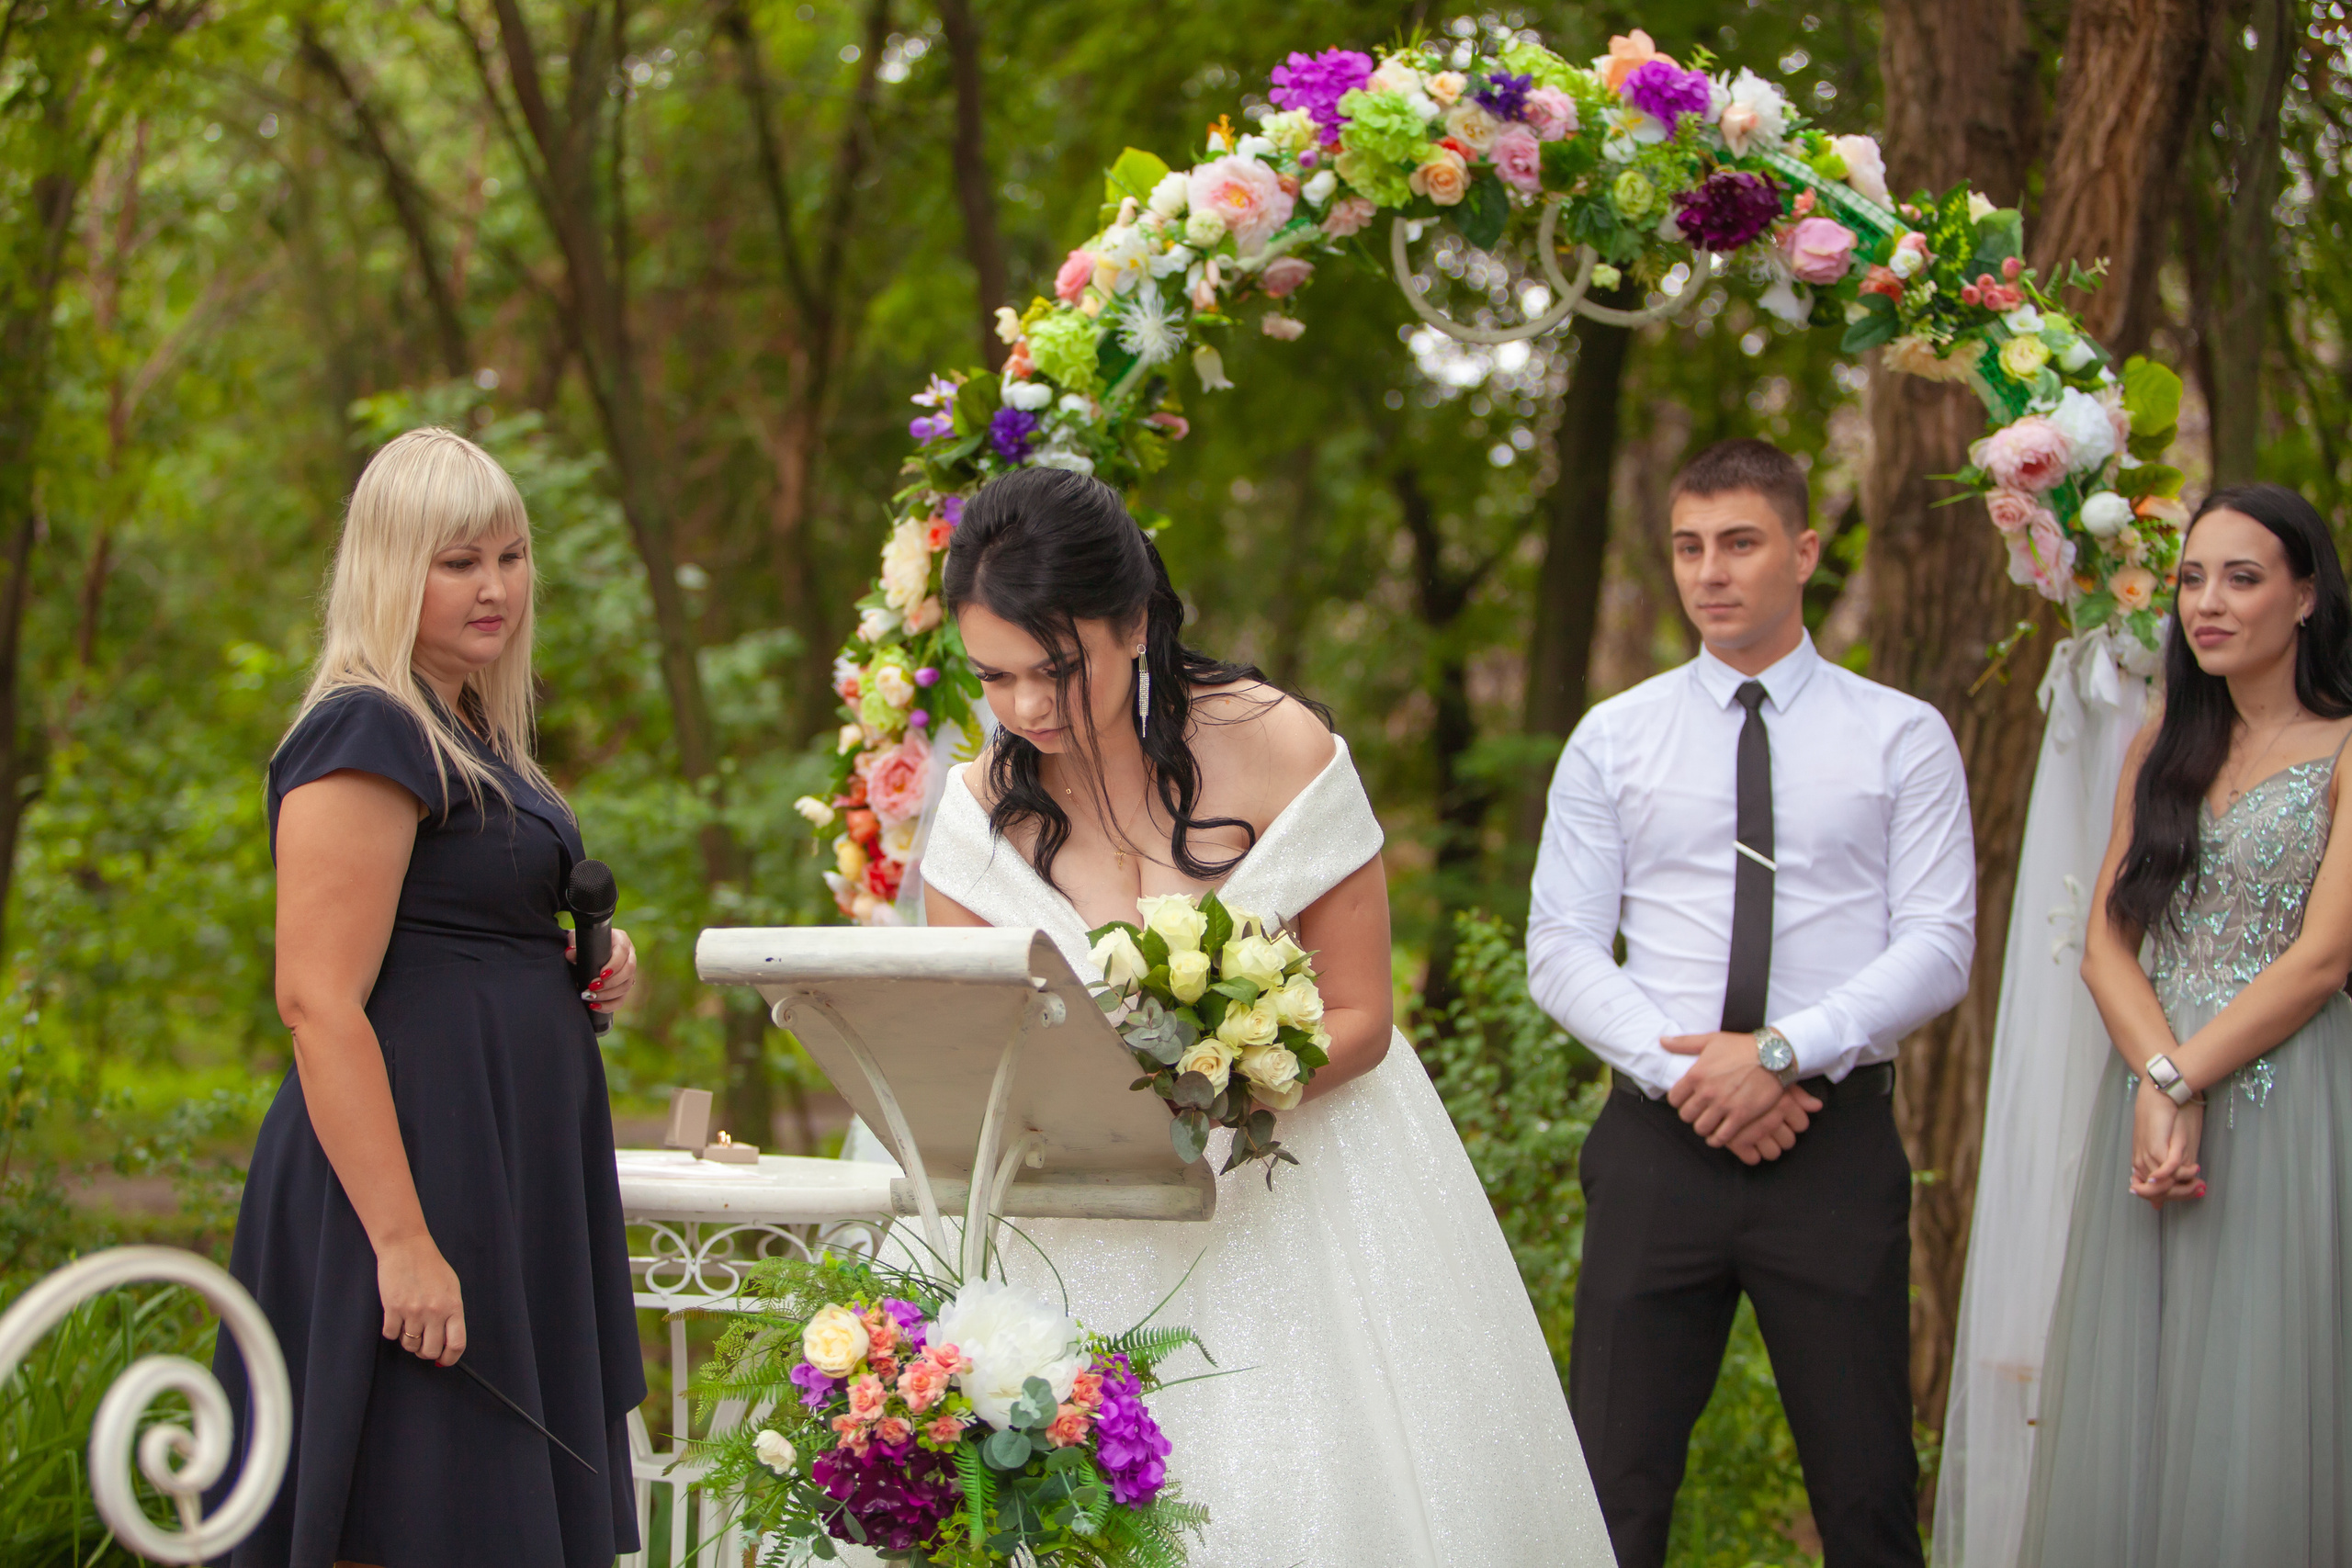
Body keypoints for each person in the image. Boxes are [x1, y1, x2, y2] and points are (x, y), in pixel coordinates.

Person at [912, 466, 1613, 1566]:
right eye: (994, 678)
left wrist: (1212, 1090)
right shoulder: (974, 809)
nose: (1026, 711)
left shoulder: (1277, 744)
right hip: (1053, 1228)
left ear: (1135, 621)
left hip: (1285, 1203)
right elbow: (967, 1053)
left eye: (1054, 671)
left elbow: (1361, 1011)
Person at [1527, 437, 1975, 1567]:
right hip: (1655, 1142)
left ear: (1804, 551)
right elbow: (1562, 948)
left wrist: (1776, 1054)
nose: (1709, 572)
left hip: (1829, 1144)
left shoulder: (1901, 736)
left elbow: (1938, 946)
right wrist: (1693, 1072)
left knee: (1867, 1488)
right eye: (1687, 547)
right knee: (1612, 1490)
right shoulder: (1613, 738)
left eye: (1739, 542)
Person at [211, 428, 646, 1568]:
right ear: (392, 567)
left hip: (506, 1167)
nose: (496, 586)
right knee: (418, 1500)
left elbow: (464, 933)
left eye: (510, 555)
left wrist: (584, 962)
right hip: (411, 1176)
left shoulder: (472, 731)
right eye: (459, 561)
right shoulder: (368, 725)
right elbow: (316, 998)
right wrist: (401, 1242)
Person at [2020, 483, 2352, 1567]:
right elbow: (2106, 944)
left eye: (2241, 578)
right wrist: (2159, 1082)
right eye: (2191, 578)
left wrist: (2176, 1079)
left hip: (2288, 1095)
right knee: (2143, 1392)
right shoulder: (2163, 743)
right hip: (2156, 1095)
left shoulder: (2346, 748)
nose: (2206, 603)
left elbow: (2323, 957)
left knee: (2265, 1383)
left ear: (2305, 596)